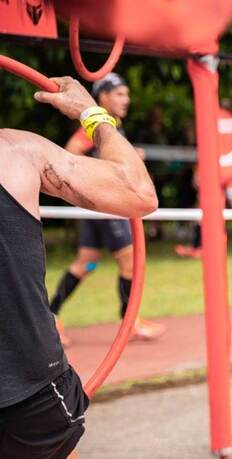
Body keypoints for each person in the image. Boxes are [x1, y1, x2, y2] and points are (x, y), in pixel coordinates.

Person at [2, 77, 158, 459]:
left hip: (21, 364)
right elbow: (139, 193)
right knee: (57, 443)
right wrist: (93, 117)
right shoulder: (16, 151)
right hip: (23, 366)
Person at [48, 72, 164, 343]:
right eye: (120, 94)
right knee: (130, 261)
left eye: (127, 94)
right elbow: (71, 151)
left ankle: (50, 317)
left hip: (98, 207)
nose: (127, 99)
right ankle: (129, 322)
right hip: (106, 206)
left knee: (86, 263)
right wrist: (100, 175)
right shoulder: (95, 125)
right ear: (103, 97)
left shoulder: (110, 126)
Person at [175, 99, 232, 260]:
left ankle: (198, 247)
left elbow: (206, 147)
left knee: (204, 206)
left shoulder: (209, 119)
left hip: (215, 170)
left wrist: (198, 170)